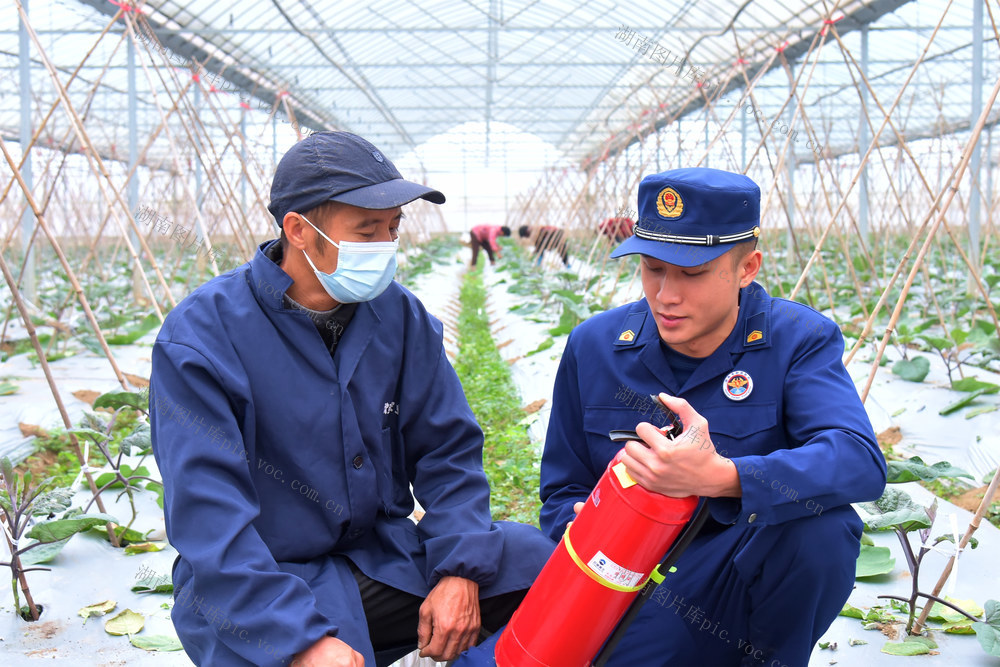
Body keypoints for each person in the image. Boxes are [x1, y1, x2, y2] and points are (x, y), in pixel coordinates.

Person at [149, 131, 553, 667]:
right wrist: (298, 640)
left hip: (382, 559)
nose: (386, 246)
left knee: (543, 566)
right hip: (259, 585)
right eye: (367, 231)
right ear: (298, 229)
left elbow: (447, 450)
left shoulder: (398, 316)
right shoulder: (202, 338)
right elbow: (209, 519)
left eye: (392, 228)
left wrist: (458, 569)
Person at [538, 168, 887, 665]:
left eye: (693, 273)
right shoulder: (594, 345)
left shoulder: (796, 339)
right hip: (623, 569)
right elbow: (561, 488)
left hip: (735, 567)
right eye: (653, 268)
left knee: (823, 530)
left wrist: (725, 477)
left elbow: (858, 461)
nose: (666, 295)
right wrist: (585, 521)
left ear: (748, 269)